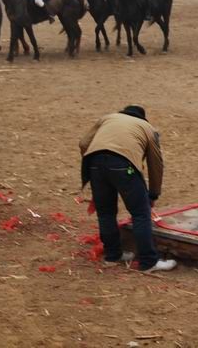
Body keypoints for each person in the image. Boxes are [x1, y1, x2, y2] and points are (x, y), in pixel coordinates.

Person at [79, 105, 177, 273]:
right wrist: (153, 194)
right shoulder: (147, 128)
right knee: (140, 213)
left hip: (93, 164)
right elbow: (156, 164)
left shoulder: (108, 117)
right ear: (142, 118)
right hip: (123, 165)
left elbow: (83, 143)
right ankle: (148, 262)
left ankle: (112, 255)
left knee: (106, 213)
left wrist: (99, 164)